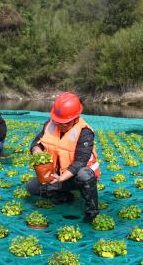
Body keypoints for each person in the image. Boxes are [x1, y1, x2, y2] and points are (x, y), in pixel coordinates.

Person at [27, 92, 100, 222]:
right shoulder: (49, 125)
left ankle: (92, 210)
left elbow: (81, 161)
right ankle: (64, 196)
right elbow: (36, 142)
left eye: (65, 123)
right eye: (58, 121)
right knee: (32, 187)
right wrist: (37, 150)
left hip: (76, 178)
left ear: (75, 118)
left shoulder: (85, 132)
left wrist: (63, 178)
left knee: (84, 174)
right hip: (57, 176)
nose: (60, 125)